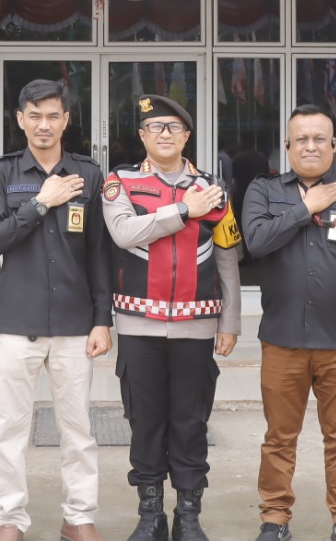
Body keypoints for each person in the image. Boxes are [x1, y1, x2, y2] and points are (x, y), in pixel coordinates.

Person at [241, 105, 336, 541]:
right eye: (301, 139)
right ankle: (275, 519)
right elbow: (257, 242)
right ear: (287, 146)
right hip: (282, 339)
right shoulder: (264, 191)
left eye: (319, 139)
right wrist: (306, 207)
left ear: (334, 146)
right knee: (279, 437)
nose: (310, 146)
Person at [101, 95, 243, 541]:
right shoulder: (120, 182)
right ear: (142, 135)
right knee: (145, 420)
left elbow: (228, 255)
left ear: (187, 136)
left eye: (174, 127)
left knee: (190, 420)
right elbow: (123, 233)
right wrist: (184, 211)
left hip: (197, 323)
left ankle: (187, 514)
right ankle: (150, 515)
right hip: (138, 321)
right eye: (155, 127)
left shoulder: (212, 188)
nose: (165, 134)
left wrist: (231, 321)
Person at [0, 79, 113, 541]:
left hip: (75, 326)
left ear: (66, 120)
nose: (44, 124)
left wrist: (102, 320)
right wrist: (40, 203)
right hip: (16, 323)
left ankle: (78, 517)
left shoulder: (88, 174)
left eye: (53, 115)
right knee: (10, 430)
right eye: (34, 115)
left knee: (78, 430)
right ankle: (10, 520)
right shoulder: (2, 173)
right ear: (20, 119)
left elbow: (100, 253)